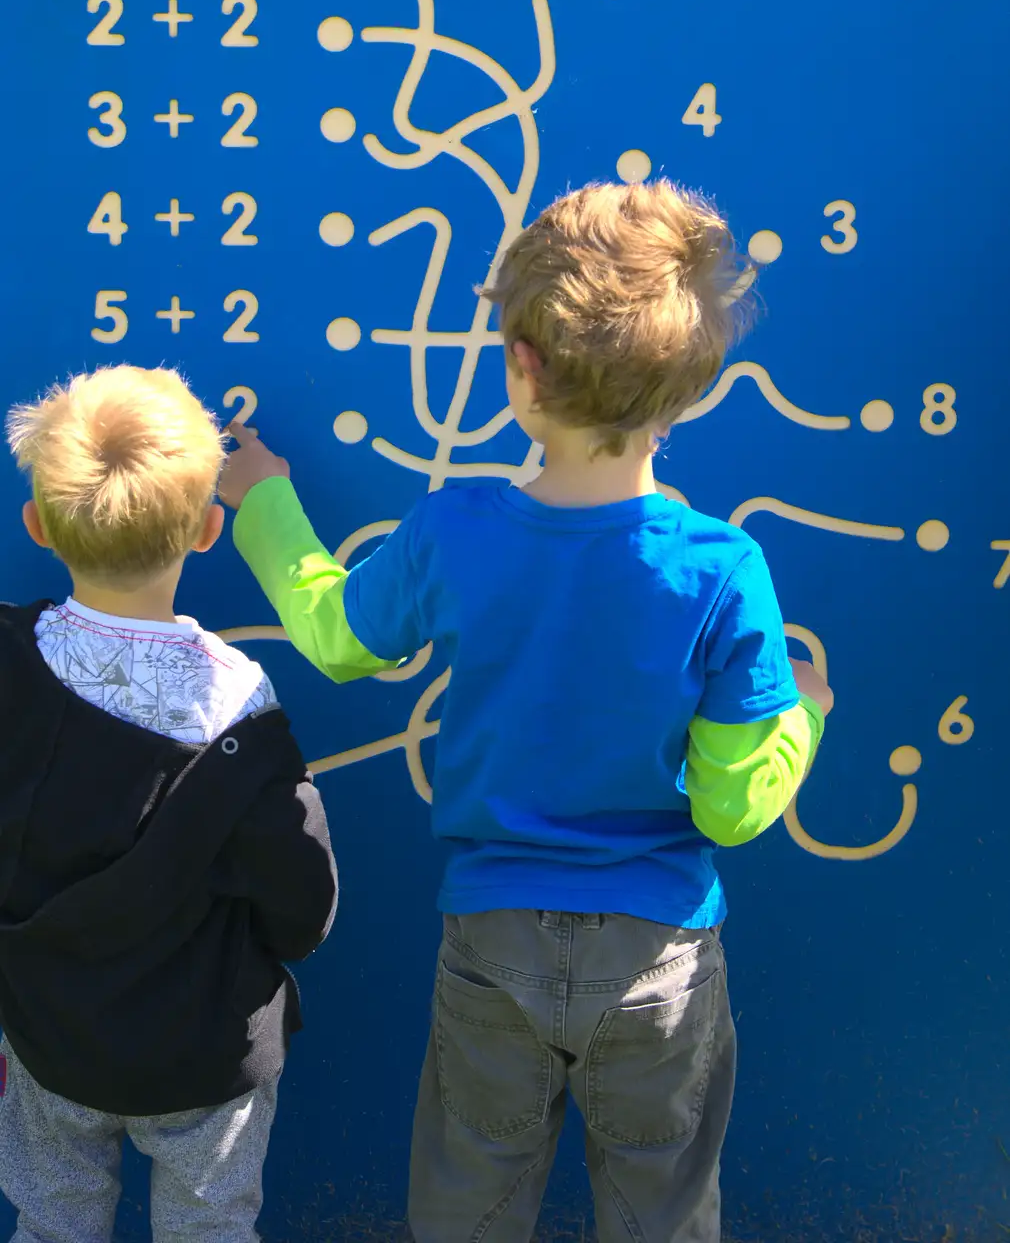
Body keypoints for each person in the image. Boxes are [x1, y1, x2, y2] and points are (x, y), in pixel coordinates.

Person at [219, 179, 831, 1243]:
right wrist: (804, 717)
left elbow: (334, 636)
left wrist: (261, 498)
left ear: (521, 369)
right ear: (687, 391)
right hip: (660, 956)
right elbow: (733, 810)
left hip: (489, 938)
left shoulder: (455, 529)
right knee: (661, 1214)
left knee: (469, 1205)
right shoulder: (724, 572)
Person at [0, 366, 337, 1243]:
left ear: (36, 526)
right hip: (204, 1048)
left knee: (52, 1222)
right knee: (210, 1231)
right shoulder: (241, 709)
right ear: (208, 530)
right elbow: (304, 899)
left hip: (47, 1035)